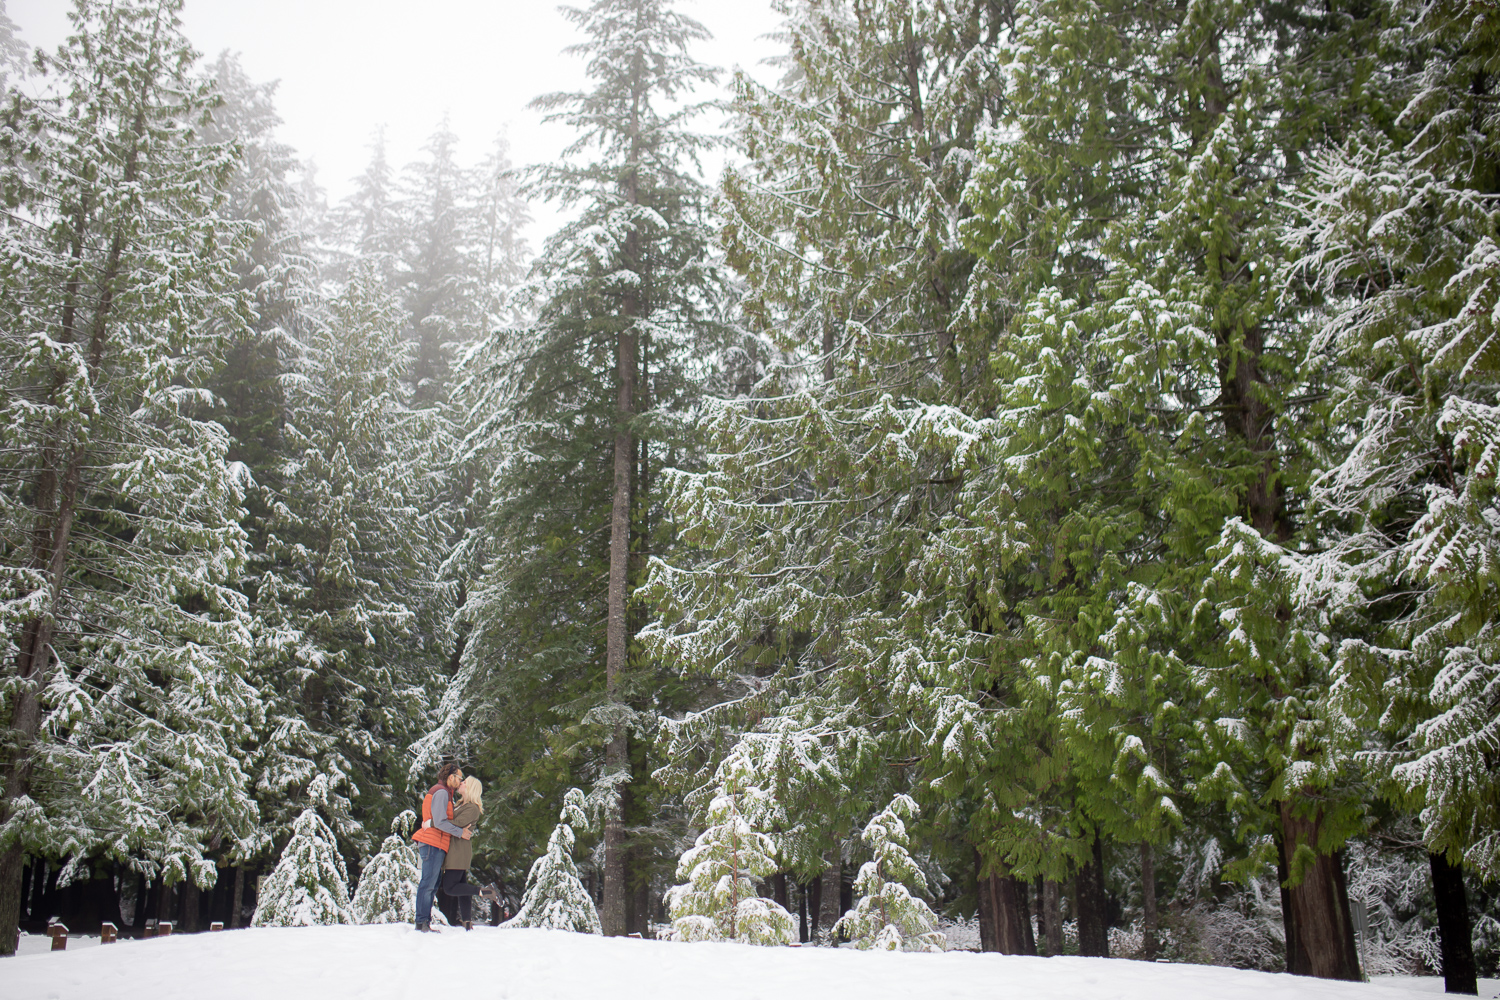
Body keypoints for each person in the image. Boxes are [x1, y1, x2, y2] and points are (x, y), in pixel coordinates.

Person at [412, 761, 470, 932]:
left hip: (437, 843)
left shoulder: (445, 793)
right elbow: (439, 821)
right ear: (451, 776)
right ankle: (421, 922)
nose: (461, 782)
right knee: (428, 883)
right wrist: (460, 832)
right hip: (432, 843)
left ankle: (424, 922)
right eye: (460, 778)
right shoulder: (442, 792)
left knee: (432, 883)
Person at [440, 775, 500, 930]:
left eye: (465, 782)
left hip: (458, 851)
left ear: (471, 788)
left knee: (449, 887)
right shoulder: (460, 804)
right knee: (461, 886)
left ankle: (485, 891)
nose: (461, 783)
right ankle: (467, 922)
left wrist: (435, 822)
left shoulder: (472, 808)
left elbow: (455, 823)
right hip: (456, 849)